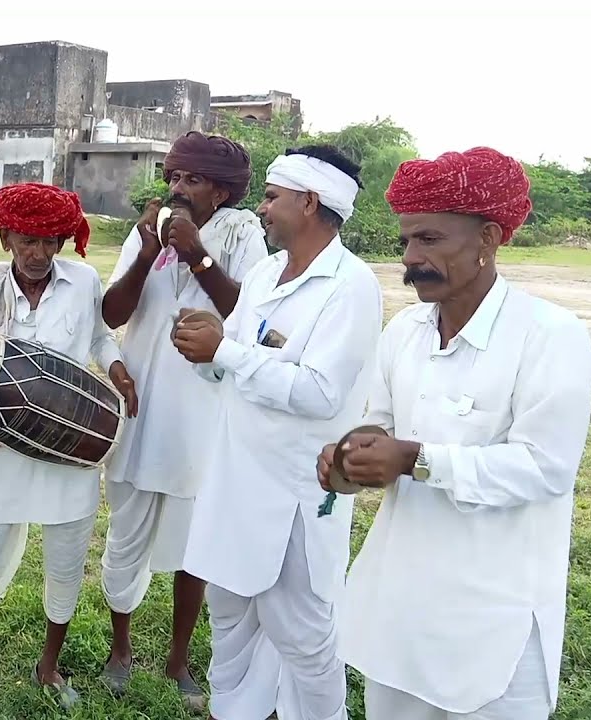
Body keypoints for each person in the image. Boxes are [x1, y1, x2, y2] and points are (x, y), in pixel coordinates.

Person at [323, 147, 591, 720]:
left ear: (488, 240)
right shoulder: (405, 330)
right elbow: (383, 429)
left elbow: (545, 468)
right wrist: (351, 463)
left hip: (495, 625)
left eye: (430, 240)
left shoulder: (549, 335)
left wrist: (415, 459)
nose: (412, 259)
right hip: (400, 610)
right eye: (406, 242)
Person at [173, 145, 383, 720]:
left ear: (310, 202)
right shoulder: (266, 271)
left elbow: (319, 394)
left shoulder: (352, 286)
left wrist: (229, 353)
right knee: (230, 619)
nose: (261, 209)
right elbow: (230, 358)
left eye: (272, 197)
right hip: (233, 478)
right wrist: (202, 348)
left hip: (296, 491)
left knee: (304, 635)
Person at [0, 182, 137, 709]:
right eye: (26, 241)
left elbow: (96, 339)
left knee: (65, 562)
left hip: (71, 447)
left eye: (49, 241)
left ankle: (49, 667)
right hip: (4, 449)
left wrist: (116, 368)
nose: (37, 253)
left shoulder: (83, 280)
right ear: (6, 238)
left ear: (62, 241)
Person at [98, 132, 268, 710]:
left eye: (192, 180)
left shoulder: (244, 233)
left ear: (222, 190)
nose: (178, 188)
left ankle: (178, 658)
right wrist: (147, 255)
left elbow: (247, 314)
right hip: (143, 403)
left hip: (203, 415)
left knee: (194, 543)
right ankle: (120, 650)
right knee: (126, 533)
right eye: (174, 177)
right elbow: (114, 312)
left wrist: (197, 253)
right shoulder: (146, 231)